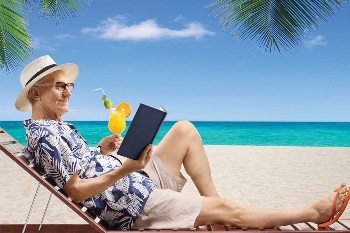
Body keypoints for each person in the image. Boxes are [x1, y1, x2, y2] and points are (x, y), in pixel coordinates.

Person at [15, 55, 350, 230]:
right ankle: (311, 212)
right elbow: (75, 191)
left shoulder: (55, 126)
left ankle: (216, 207)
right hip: (128, 202)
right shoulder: (44, 135)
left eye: (69, 86)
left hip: (129, 177)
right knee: (226, 209)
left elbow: (79, 167)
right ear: (35, 93)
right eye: (59, 86)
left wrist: (102, 150)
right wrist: (127, 168)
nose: (68, 91)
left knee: (184, 129)